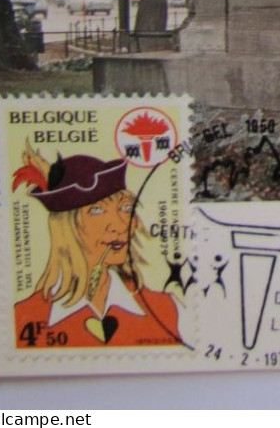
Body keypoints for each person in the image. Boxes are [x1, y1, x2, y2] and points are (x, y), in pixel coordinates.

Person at [12, 145, 182, 348]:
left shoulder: (166, 309)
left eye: (126, 208)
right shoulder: (24, 318)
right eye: (97, 211)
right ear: (66, 229)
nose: (121, 226)